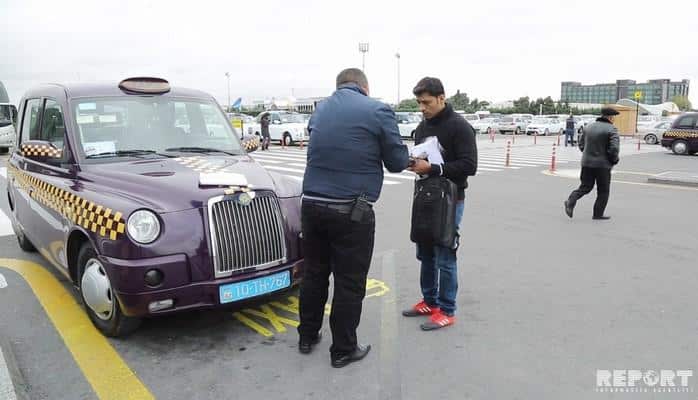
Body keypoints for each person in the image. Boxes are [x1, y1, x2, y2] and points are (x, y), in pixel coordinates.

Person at [298, 68, 409, 367]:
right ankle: (343, 349)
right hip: (350, 210)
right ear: (364, 86)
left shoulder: (320, 110)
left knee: (314, 273)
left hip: (311, 205)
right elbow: (397, 162)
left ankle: (307, 336)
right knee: (349, 282)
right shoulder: (377, 110)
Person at [402, 77, 478, 330]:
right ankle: (430, 300)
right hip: (425, 195)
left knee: (445, 253)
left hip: (451, 199)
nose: (422, 108)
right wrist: (414, 163)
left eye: (426, 102)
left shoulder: (460, 127)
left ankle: (447, 309)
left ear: (441, 98)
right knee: (425, 253)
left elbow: (470, 166)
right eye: (419, 103)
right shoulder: (423, 126)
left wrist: (433, 167)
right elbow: (421, 155)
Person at [564, 107, 620, 220]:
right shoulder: (612, 129)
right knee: (603, 190)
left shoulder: (588, 127)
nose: (614, 119)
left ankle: (571, 200)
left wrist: (588, 155)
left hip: (586, 163)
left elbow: (581, 145)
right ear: (610, 117)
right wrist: (613, 160)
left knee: (585, 186)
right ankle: (597, 214)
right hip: (603, 165)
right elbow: (614, 149)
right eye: (614, 117)